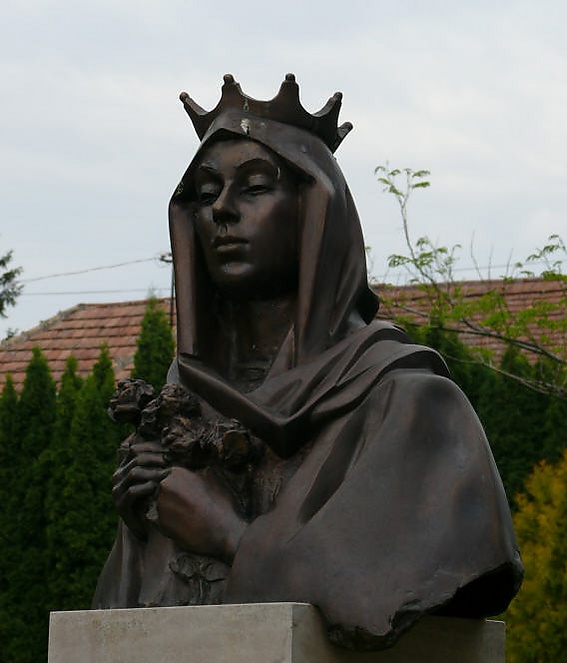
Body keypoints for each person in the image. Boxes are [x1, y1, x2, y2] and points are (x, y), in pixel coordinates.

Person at [93, 74, 522, 650]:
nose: (221, 210)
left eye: (255, 187)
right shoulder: (185, 407)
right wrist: (141, 524)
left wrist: (227, 536)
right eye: (206, 192)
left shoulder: (411, 403)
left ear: (318, 209)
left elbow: (368, 600)